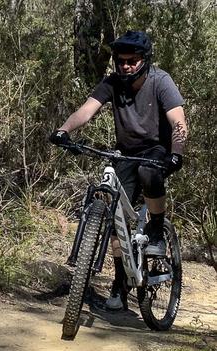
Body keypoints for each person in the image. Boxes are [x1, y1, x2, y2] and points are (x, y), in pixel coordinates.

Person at [49, 30, 188, 310]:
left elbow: (179, 122)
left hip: (155, 150)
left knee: (149, 174)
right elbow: (86, 111)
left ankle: (158, 231)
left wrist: (176, 154)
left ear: (144, 60)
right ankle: (120, 282)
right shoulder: (112, 83)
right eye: (121, 61)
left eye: (132, 61)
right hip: (125, 152)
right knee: (114, 218)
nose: (125, 66)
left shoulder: (161, 81)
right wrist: (63, 130)